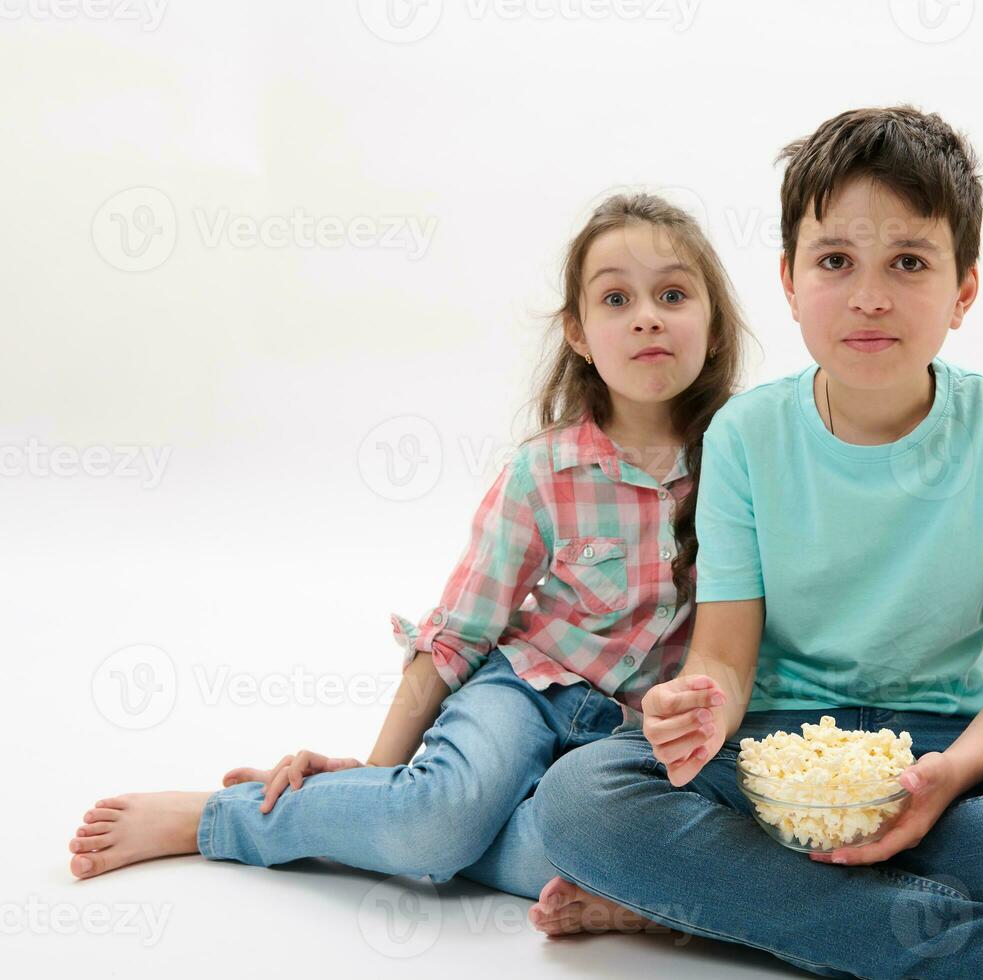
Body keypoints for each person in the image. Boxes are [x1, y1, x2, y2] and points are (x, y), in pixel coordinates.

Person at [528, 107, 983, 980]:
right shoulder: (744, 435)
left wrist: (948, 778)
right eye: (836, 262)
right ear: (788, 278)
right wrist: (699, 706)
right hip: (774, 754)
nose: (869, 296)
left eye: (909, 264)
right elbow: (726, 657)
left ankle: (717, 901)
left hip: (947, 749)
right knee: (582, 803)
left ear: (963, 290)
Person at [67, 193, 751, 908]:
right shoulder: (544, 472)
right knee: (435, 821)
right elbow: (459, 633)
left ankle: (371, 819)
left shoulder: (743, 463)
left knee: (587, 850)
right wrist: (379, 773)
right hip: (523, 692)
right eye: (616, 298)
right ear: (578, 334)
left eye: (672, 294)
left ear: (711, 321)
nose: (646, 315)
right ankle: (217, 818)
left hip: (627, 735)